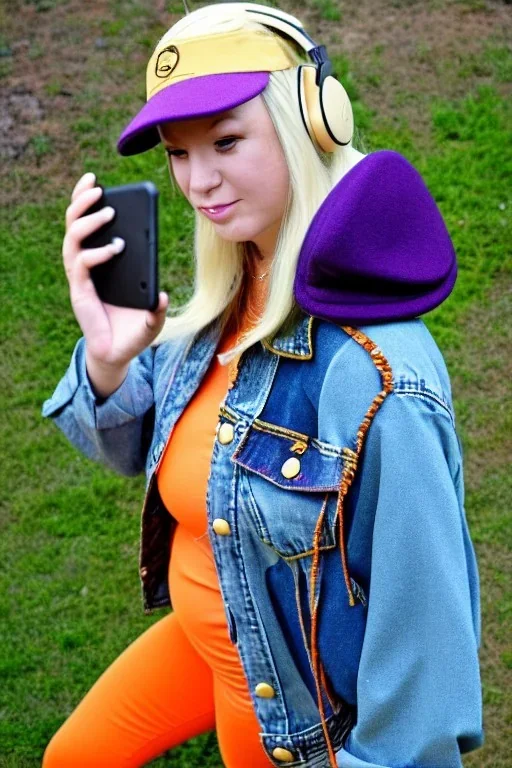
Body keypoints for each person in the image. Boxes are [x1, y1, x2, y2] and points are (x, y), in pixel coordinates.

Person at [41, 3, 483, 767]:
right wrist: (111, 363)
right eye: (178, 154)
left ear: (314, 120)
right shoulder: (224, 302)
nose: (197, 182)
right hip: (208, 627)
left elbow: (427, 646)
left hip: (280, 692)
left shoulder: (379, 377)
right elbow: (153, 458)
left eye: (226, 141)